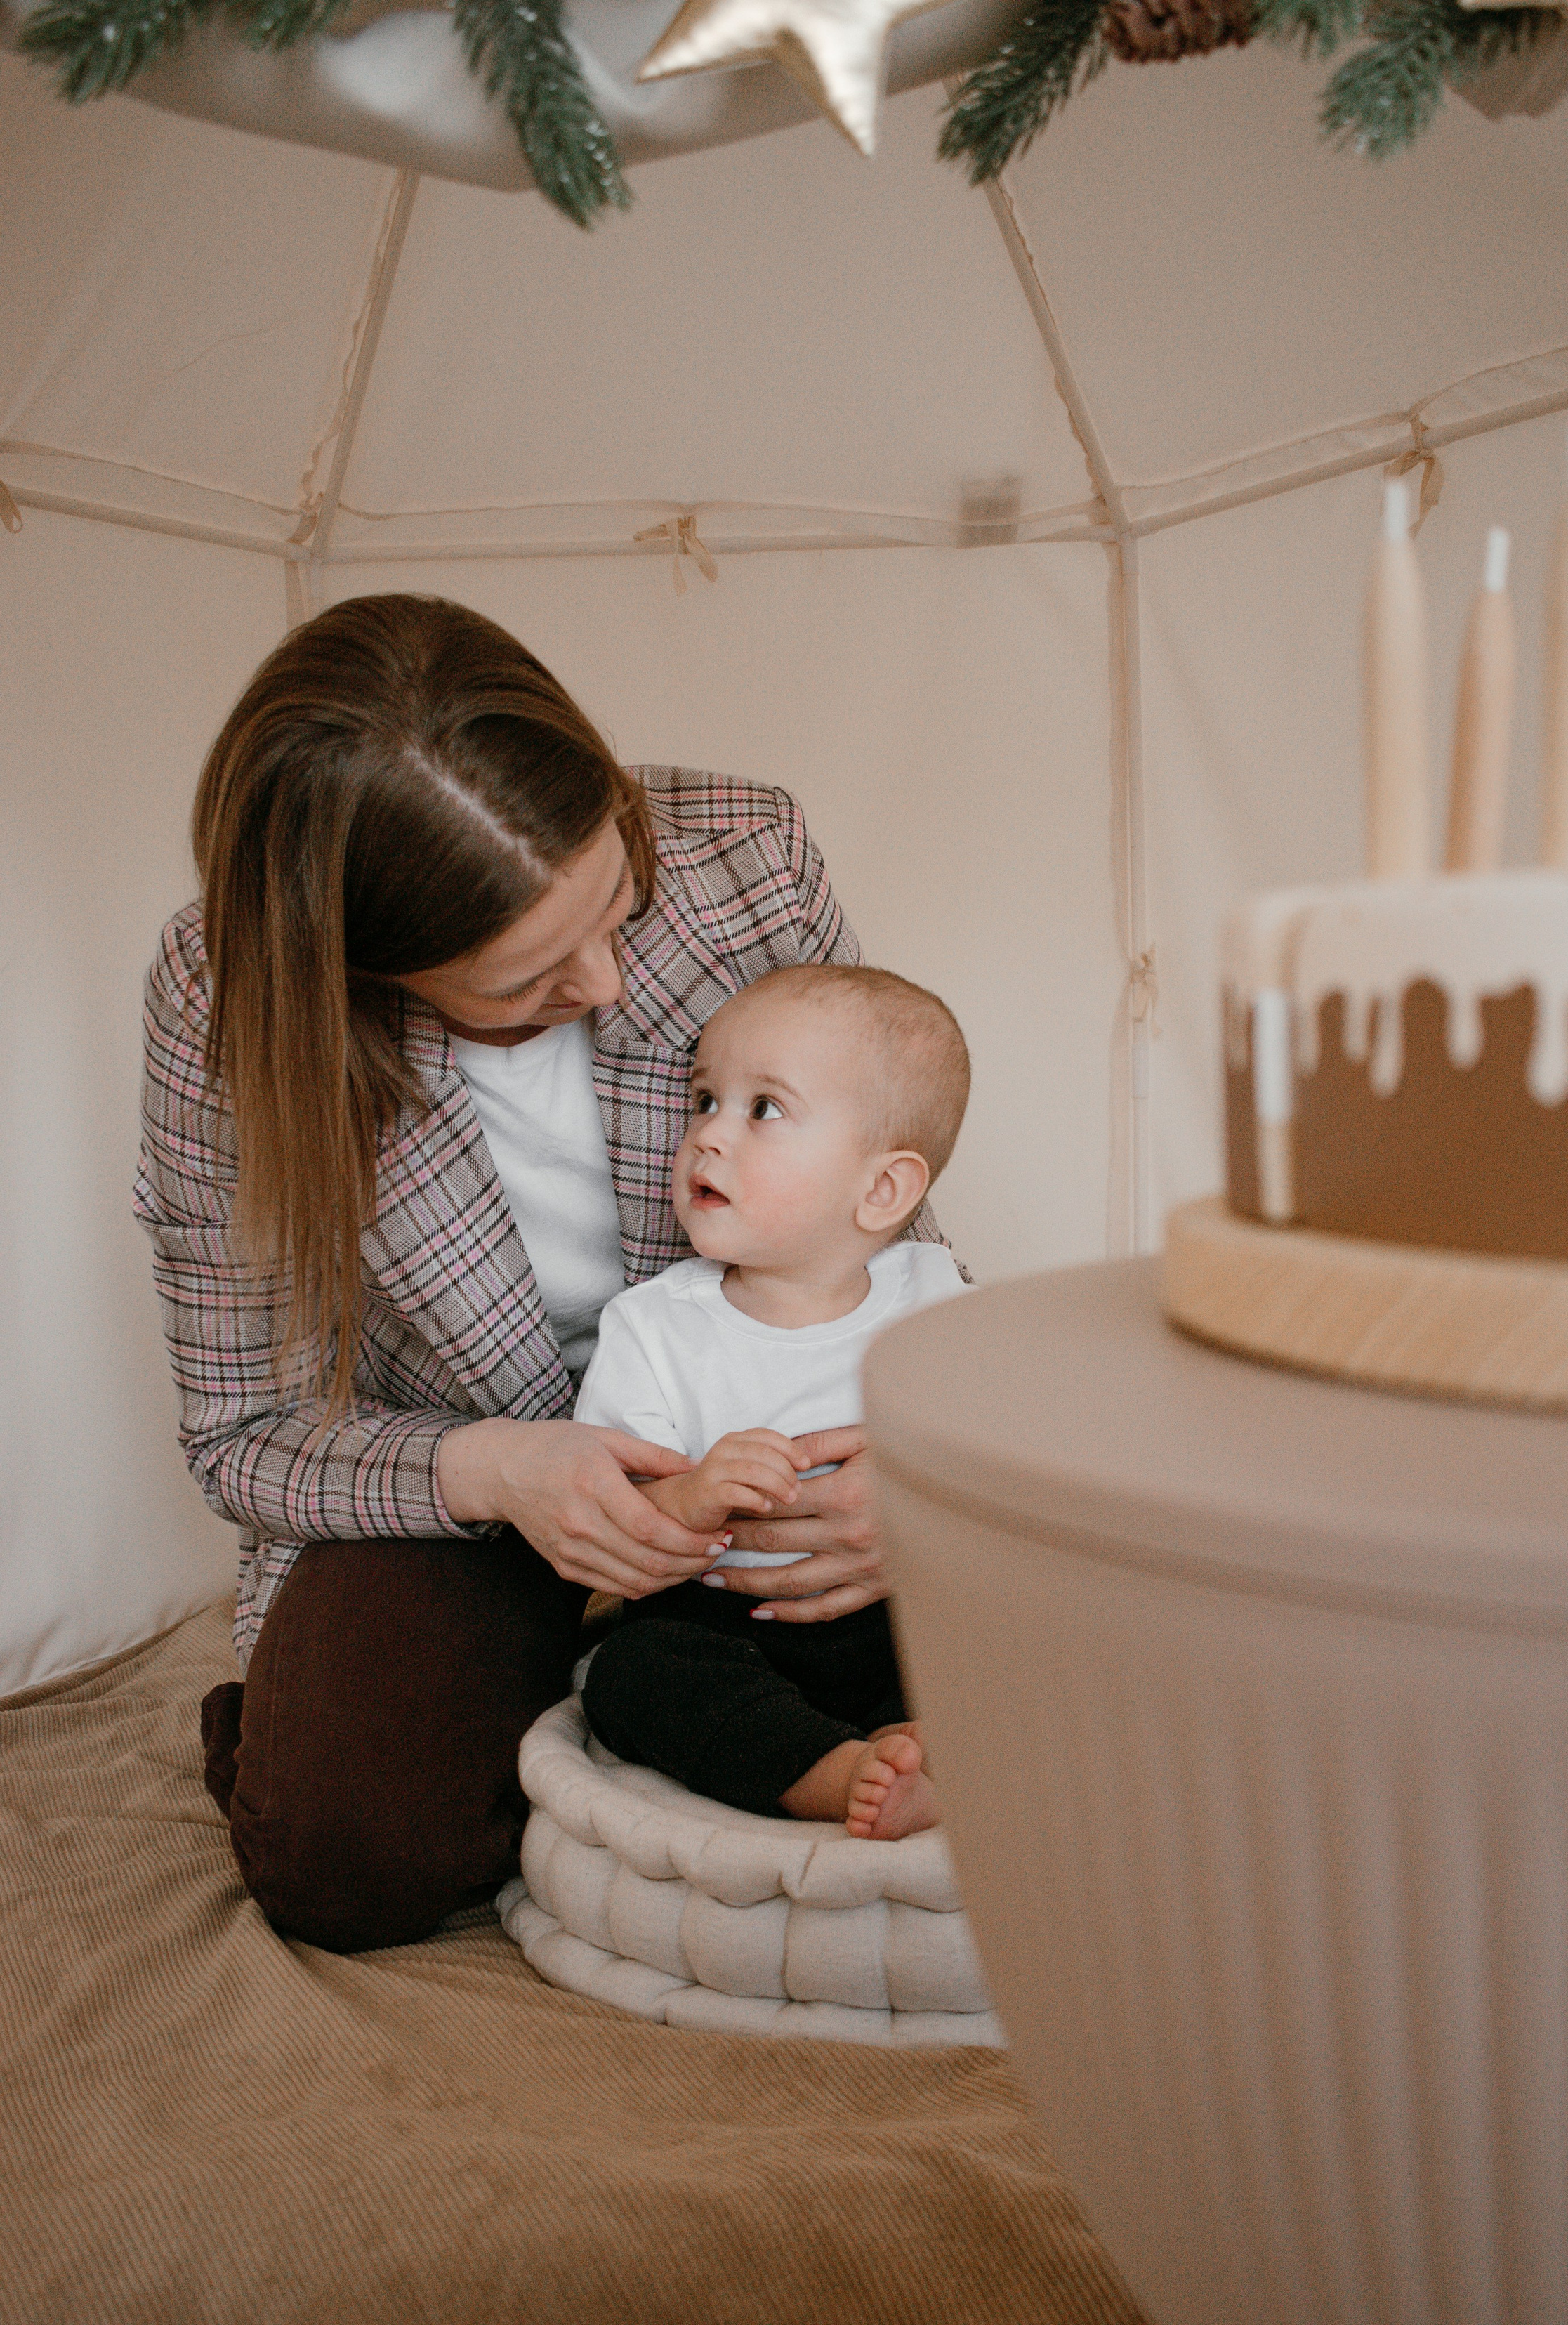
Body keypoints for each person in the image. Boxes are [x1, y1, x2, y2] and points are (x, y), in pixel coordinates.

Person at [133, 593, 951, 1951]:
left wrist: (911, 1477)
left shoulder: (746, 853)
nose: (616, 981)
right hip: (468, 1483)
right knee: (346, 1865)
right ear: (364, 968)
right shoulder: (224, 1003)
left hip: (763, 1467)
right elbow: (240, 1435)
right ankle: (337, 1704)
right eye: (525, 981)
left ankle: (603, 1701)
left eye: (617, 903)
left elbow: (882, 1201)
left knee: (1043, 1688)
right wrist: (503, 1473)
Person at [574, 964, 970, 1841]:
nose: (709, 1137)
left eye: (763, 1110)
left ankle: (934, 1741)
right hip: (727, 1621)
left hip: (894, 1608)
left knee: (1021, 1616)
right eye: (704, 1099)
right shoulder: (655, 1325)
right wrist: (691, 1494)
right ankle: (826, 1771)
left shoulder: (933, 1295)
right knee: (632, 1673)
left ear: (881, 1190)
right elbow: (615, 1523)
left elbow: (994, 1460)